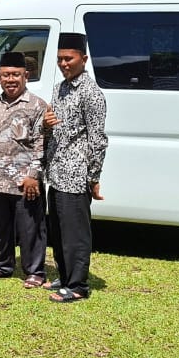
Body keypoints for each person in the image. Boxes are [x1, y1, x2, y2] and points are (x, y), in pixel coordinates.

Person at [0, 51, 48, 287]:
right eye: (6, 75)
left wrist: (33, 176)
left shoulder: (37, 105)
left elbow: (42, 144)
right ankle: (2, 266)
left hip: (25, 182)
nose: (10, 80)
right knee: (0, 228)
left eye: (15, 75)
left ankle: (35, 271)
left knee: (30, 229)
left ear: (26, 76)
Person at [43, 32, 108, 302]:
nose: (63, 64)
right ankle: (65, 274)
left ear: (84, 59)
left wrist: (93, 177)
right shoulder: (59, 88)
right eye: (60, 59)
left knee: (75, 233)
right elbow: (53, 129)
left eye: (69, 59)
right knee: (58, 230)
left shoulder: (91, 94)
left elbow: (98, 140)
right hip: (57, 172)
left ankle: (78, 285)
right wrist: (45, 125)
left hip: (76, 174)